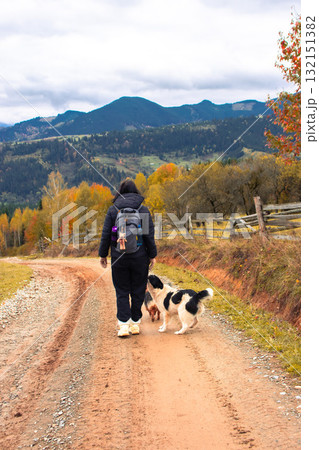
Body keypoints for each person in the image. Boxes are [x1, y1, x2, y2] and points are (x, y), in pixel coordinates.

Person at [99, 179, 157, 337]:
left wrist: (103, 255)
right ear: (136, 191)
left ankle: (123, 325)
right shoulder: (143, 210)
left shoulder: (113, 210)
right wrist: (152, 255)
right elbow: (148, 236)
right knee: (138, 290)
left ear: (120, 192)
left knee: (122, 290)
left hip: (119, 257)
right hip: (140, 257)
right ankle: (135, 323)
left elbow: (106, 235)